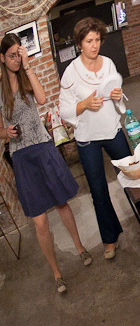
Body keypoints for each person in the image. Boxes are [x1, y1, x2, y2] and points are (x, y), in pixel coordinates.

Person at [0, 34, 91, 293]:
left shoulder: (26, 77)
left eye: (19, 54)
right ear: (2, 58)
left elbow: (41, 99)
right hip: (22, 157)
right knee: (39, 221)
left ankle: (80, 247)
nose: (16, 59)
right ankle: (56, 272)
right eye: (12, 56)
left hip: (42, 148)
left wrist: (28, 66)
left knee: (61, 203)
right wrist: (6, 133)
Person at [59, 17, 128, 261]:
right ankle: (110, 238)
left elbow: (117, 95)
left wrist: (118, 96)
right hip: (87, 138)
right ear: (79, 43)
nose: (94, 45)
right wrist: (85, 104)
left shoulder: (108, 63)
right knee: (98, 190)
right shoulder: (71, 72)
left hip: (112, 129)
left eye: (97, 39)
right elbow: (64, 110)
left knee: (132, 174)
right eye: (89, 41)